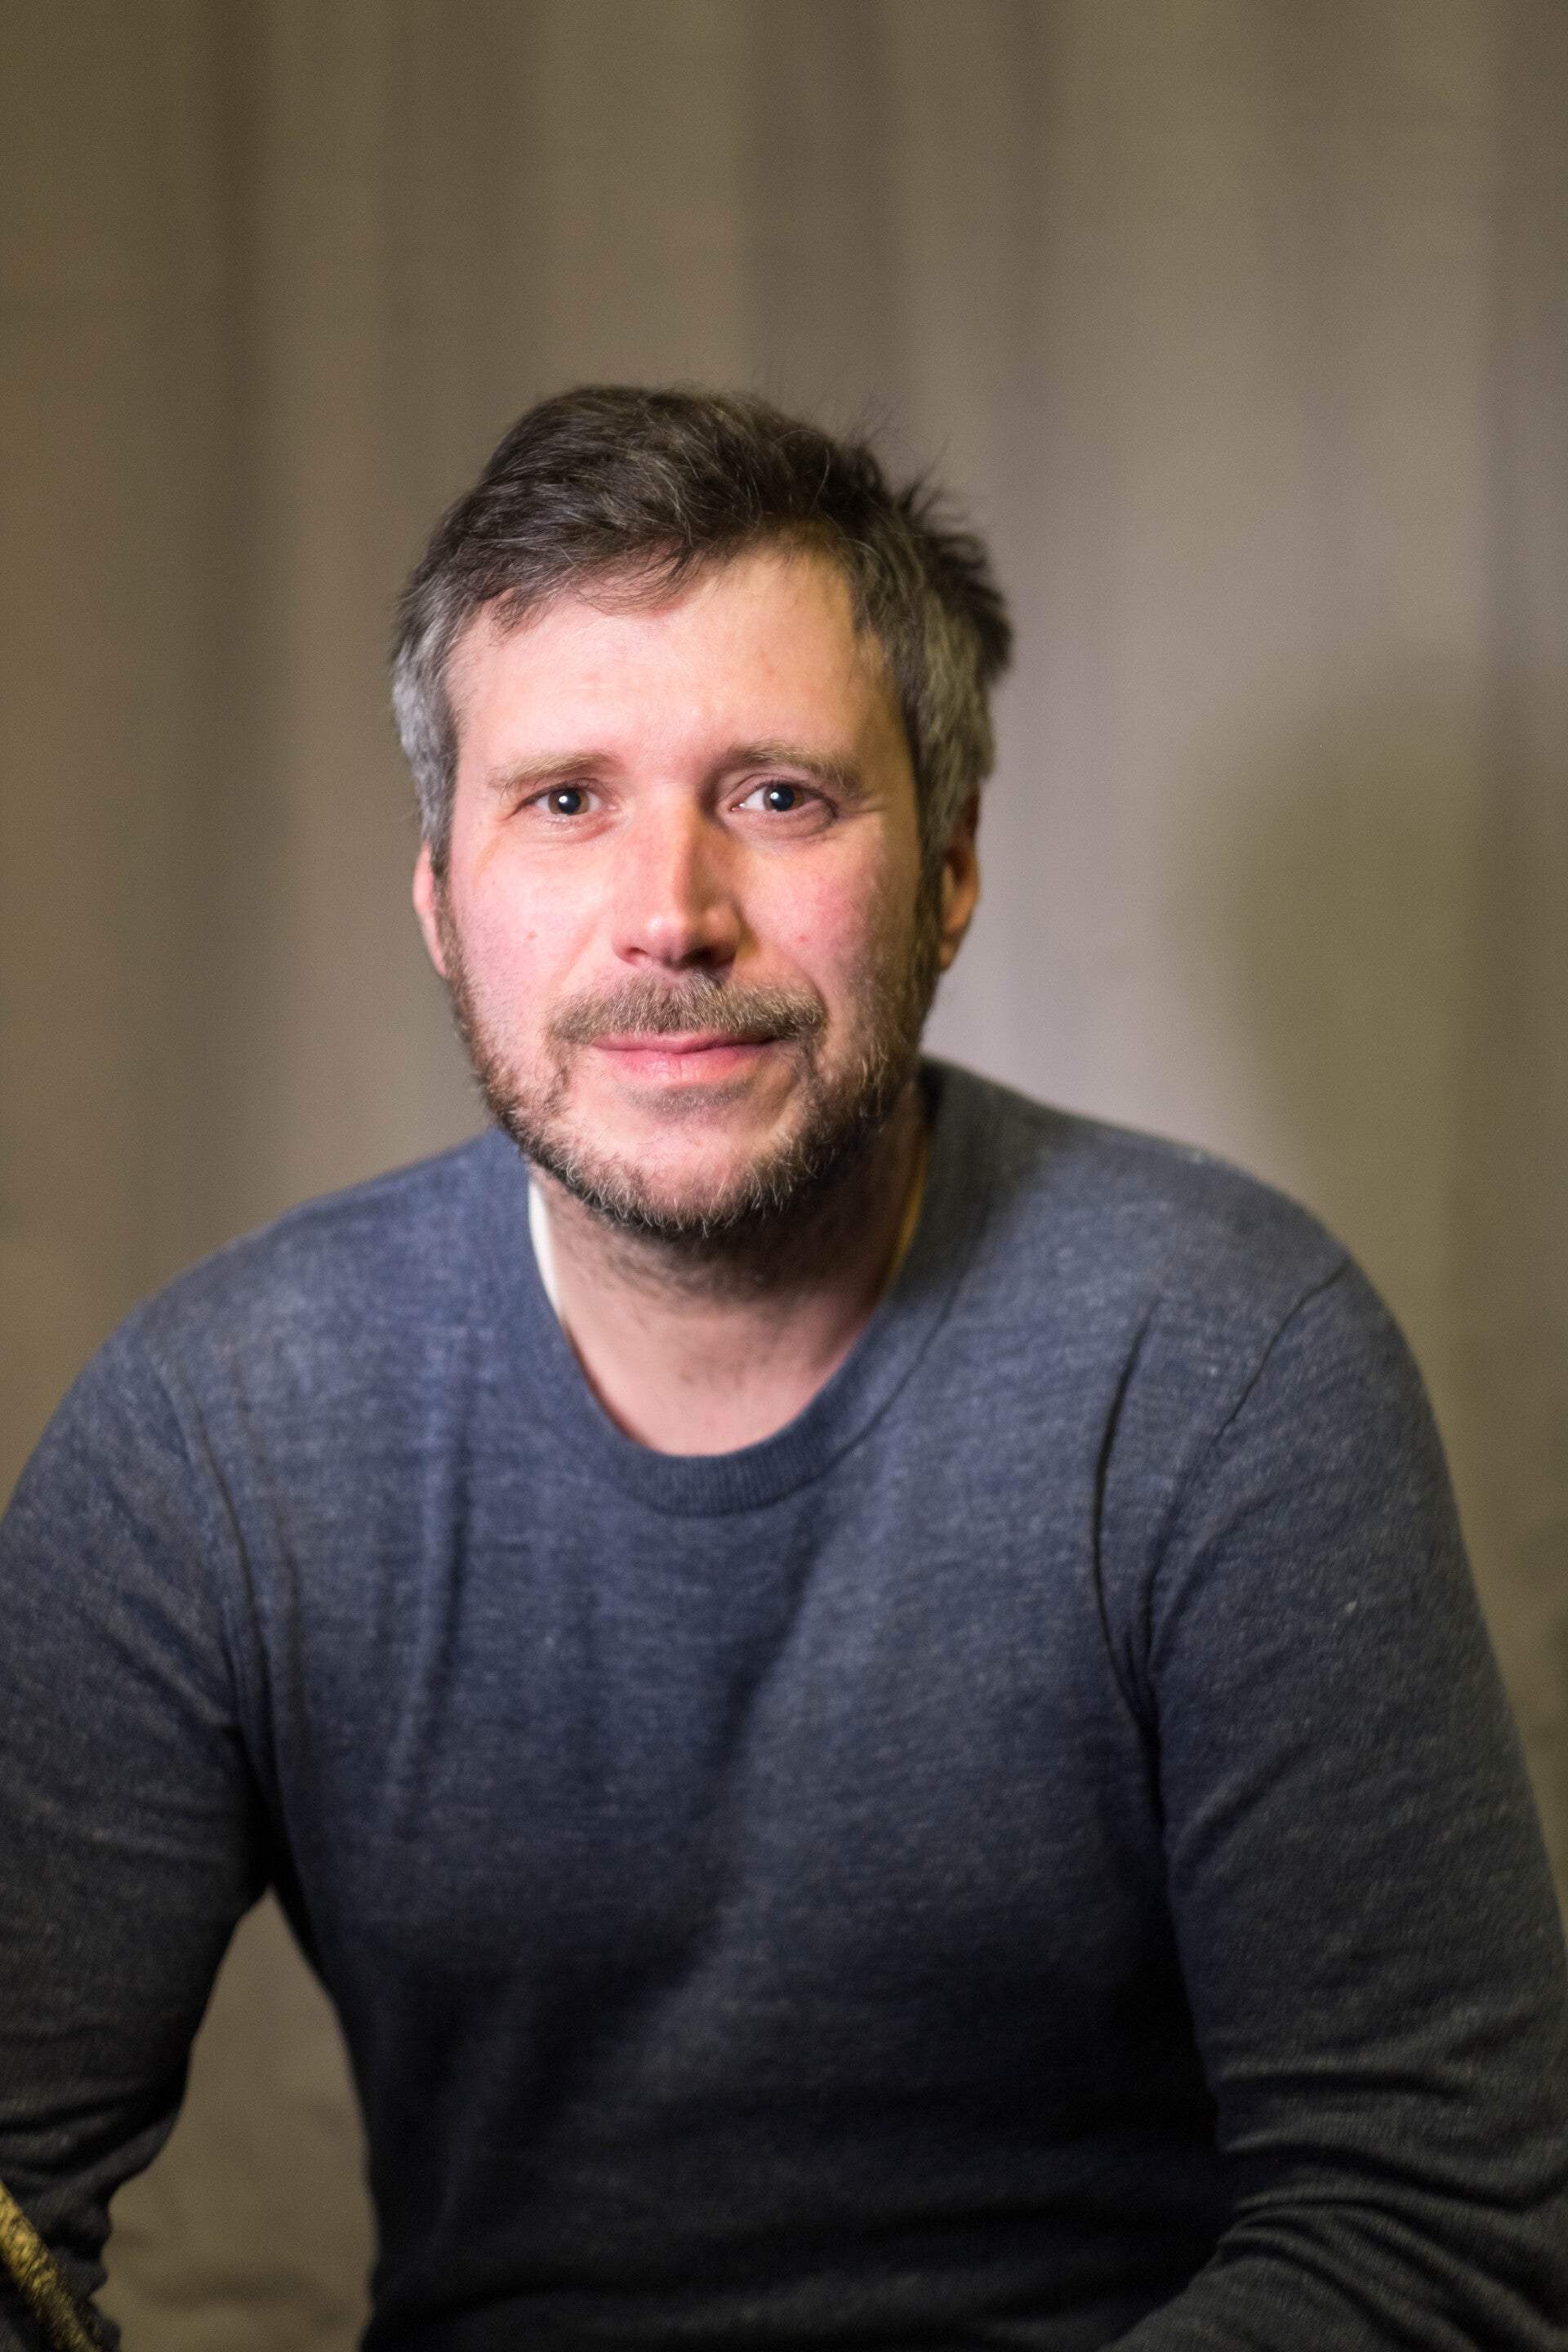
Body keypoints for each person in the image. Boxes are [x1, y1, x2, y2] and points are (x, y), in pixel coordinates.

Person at [2, 387, 1566, 2352]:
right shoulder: (211, 1440)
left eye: (778, 796)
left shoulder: (1229, 1366)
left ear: (951, 869)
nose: (673, 915)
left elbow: (1439, 2228)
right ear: (439, 900)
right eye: (564, 800)